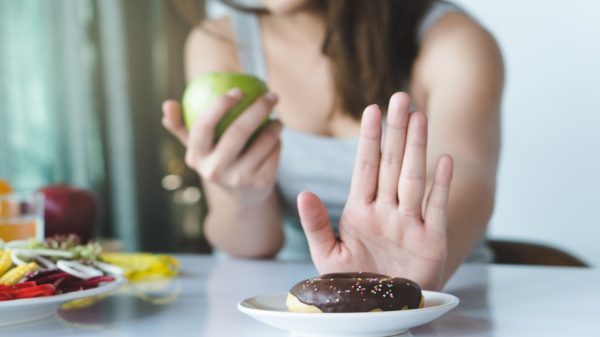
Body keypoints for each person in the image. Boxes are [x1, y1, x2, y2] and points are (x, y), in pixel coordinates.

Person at [162, 0, 503, 290]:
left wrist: (411, 273)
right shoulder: (219, 42)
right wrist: (242, 197)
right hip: (287, 301)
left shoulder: (453, 40)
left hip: (444, 291)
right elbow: (253, 247)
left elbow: (467, 178)